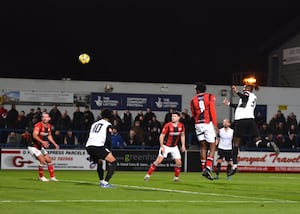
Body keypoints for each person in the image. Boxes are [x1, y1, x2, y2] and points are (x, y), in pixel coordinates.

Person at [223, 83, 280, 176]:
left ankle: (234, 166)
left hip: (241, 120)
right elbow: (240, 105)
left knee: (235, 144)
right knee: (257, 142)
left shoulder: (247, 94)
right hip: (251, 120)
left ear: (249, 88)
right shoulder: (253, 97)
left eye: (245, 87)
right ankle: (270, 144)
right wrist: (229, 104)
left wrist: (236, 91)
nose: (244, 88)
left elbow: (244, 98)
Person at [144, 111, 186, 182]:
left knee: (179, 162)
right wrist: (162, 146)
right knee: (159, 161)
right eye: (172, 116)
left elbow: (182, 135)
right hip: (166, 146)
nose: (173, 118)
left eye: (175, 116)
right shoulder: (168, 125)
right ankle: (147, 175)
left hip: (174, 147)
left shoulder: (181, 126)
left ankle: (176, 178)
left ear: (178, 118)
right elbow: (161, 136)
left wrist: (183, 145)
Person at [190, 82, 218, 180]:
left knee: (202, 146)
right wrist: (215, 124)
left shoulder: (193, 100)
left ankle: (203, 169)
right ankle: (208, 167)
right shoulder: (210, 96)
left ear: (197, 90)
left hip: (198, 124)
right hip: (207, 123)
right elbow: (212, 110)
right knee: (212, 145)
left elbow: (193, 115)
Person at [85, 108, 117, 188]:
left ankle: (93, 159)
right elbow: (108, 139)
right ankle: (105, 183)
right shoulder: (108, 125)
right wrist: (109, 150)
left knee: (100, 162)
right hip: (98, 146)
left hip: (89, 146)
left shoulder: (94, 124)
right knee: (114, 162)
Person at [28, 112, 59, 182]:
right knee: (42, 160)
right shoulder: (38, 125)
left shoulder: (48, 126)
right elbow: (34, 135)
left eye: (46, 117)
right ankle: (41, 177)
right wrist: (43, 142)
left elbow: (49, 135)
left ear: (49, 118)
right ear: (42, 118)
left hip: (40, 146)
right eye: (43, 117)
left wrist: (55, 144)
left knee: (49, 160)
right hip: (33, 146)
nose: (45, 118)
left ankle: (52, 177)